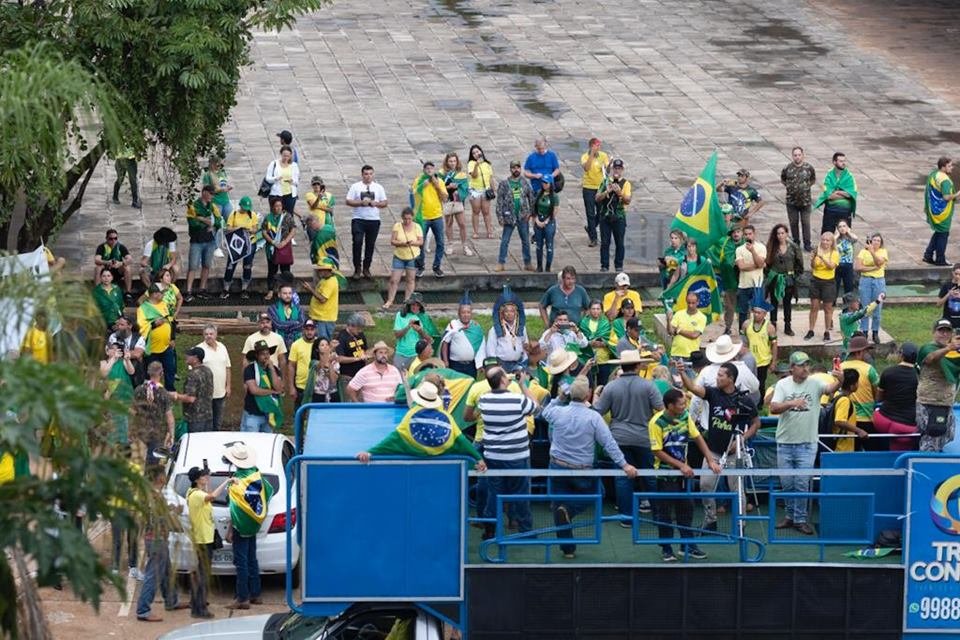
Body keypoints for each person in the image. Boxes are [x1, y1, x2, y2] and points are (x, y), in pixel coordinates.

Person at [544, 377, 637, 558]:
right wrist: (624, 464)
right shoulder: (593, 417)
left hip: (557, 465)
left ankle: (567, 548)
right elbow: (608, 443)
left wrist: (560, 397)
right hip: (582, 468)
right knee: (597, 494)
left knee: (558, 504)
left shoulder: (557, 412)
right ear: (588, 393)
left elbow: (545, 411)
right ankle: (570, 511)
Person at [677, 360, 759, 531]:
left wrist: (741, 440)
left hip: (734, 454)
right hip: (713, 452)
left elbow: (756, 423)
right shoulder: (713, 393)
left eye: (721, 375)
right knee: (705, 485)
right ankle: (710, 520)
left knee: (736, 490)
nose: (717, 378)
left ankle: (740, 523)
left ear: (731, 379)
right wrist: (683, 372)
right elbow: (692, 388)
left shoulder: (745, 400)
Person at [769, 351, 840, 535]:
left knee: (801, 482)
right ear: (792, 368)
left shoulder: (815, 383)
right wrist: (793, 403)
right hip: (785, 442)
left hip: (807, 442)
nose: (806, 368)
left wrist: (840, 379)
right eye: (801, 365)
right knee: (786, 483)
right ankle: (790, 515)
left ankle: (800, 519)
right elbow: (773, 407)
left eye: (807, 365)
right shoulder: (782, 384)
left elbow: (830, 389)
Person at [649, 388, 720, 561]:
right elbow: (657, 451)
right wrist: (681, 465)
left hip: (683, 476)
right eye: (681, 404)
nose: (684, 406)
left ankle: (687, 545)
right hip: (664, 476)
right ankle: (666, 548)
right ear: (670, 405)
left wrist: (710, 459)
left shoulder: (684, 416)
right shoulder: (656, 423)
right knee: (664, 513)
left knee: (686, 510)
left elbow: (698, 438)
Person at [593, 350, 665, 519]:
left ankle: (626, 515)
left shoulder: (611, 386)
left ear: (621, 365)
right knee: (649, 475)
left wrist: (596, 395)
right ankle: (658, 514)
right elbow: (661, 410)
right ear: (638, 365)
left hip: (619, 438)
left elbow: (598, 411)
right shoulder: (648, 385)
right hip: (643, 437)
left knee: (623, 477)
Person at [356, 380, 485, 467]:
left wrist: (370, 452)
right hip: (441, 466)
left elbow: (395, 438)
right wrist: (478, 458)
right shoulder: (446, 417)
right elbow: (460, 440)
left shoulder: (411, 414)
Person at [478, 366, 539, 538]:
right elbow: (536, 406)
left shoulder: (483, 400)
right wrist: (523, 384)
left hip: (493, 455)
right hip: (517, 456)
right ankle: (525, 530)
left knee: (494, 493)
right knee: (521, 493)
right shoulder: (517, 399)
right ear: (504, 380)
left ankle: (490, 528)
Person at [224, 442, 274, 610]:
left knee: (241, 562)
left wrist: (231, 528)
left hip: (241, 525)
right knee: (252, 559)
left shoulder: (235, 481)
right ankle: (256, 594)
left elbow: (234, 508)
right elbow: (269, 490)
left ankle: (242, 598)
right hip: (254, 523)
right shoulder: (256, 474)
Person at [135, 466, 188, 622]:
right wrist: (174, 512)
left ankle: (171, 600)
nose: (166, 477)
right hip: (157, 538)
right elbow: (157, 519)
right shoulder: (155, 496)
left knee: (166, 572)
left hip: (155, 538)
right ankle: (143, 610)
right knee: (153, 574)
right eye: (164, 475)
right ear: (159, 477)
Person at [185, 466, 229, 619]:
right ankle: (200, 608)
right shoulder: (197, 495)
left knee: (200, 572)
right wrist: (226, 482)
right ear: (197, 479)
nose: (206, 478)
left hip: (203, 537)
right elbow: (212, 496)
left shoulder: (193, 492)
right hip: (203, 539)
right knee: (203, 575)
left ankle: (195, 602)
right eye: (203, 476)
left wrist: (208, 480)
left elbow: (207, 493)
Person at [916, 320, 960, 452]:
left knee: (947, 435)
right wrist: (948, 348)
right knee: (932, 437)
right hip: (929, 402)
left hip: (947, 402)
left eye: (947, 331)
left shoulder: (954, 352)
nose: (944, 334)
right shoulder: (927, 348)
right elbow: (930, 358)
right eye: (941, 330)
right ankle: (924, 466)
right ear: (934, 332)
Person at [874, 343, 920, 451]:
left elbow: (878, 398)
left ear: (901, 356)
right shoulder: (919, 377)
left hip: (883, 421)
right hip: (908, 426)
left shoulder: (888, 372)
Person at [346, 164, 388, 279]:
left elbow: (384, 203)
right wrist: (360, 202)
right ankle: (357, 268)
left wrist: (376, 204)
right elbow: (348, 201)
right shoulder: (356, 186)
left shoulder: (378, 187)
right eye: (366, 174)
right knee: (357, 242)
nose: (368, 176)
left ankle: (366, 267)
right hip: (359, 219)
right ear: (362, 175)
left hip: (373, 220)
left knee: (370, 244)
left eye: (370, 174)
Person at [840, 336, 881, 450]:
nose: (867, 354)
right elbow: (877, 391)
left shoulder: (841, 367)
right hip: (866, 419)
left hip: (847, 421)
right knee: (871, 454)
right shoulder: (869, 369)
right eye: (866, 351)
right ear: (860, 352)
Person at [130, 361, 175, 465]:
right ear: (161, 373)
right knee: (153, 460)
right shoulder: (164, 393)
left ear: (148, 372)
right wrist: (172, 434)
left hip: (140, 430)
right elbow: (170, 417)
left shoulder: (139, 390)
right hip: (158, 432)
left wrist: (130, 429)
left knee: (138, 459)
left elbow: (132, 411)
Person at [494, 159, 534, 272]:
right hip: (509, 217)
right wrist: (500, 217)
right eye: (514, 168)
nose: (516, 170)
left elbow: (531, 198)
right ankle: (501, 263)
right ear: (510, 169)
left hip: (522, 216)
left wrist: (530, 213)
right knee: (505, 240)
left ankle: (528, 262)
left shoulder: (525, 183)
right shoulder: (504, 184)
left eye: (518, 167)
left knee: (525, 240)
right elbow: (499, 201)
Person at [183, 185, 220, 302]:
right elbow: (192, 223)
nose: (212, 196)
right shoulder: (193, 206)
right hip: (196, 241)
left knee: (206, 265)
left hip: (209, 241)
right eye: (211, 194)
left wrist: (203, 220)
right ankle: (188, 291)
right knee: (193, 266)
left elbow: (218, 221)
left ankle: (202, 289)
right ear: (204, 192)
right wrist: (207, 222)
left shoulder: (213, 206)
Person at [220, 196, 261, 300]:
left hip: (249, 242)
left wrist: (250, 230)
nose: (246, 210)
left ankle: (244, 289)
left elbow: (256, 228)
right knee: (231, 264)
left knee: (247, 265)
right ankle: (226, 288)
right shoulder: (233, 214)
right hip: (236, 244)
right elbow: (228, 228)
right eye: (244, 208)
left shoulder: (253, 215)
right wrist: (238, 228)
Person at [595, 158, 631, 272]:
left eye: (619, 169)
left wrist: (619, 193)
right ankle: (604, 265)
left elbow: (628, 200)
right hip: (605, 216)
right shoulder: (605, 182)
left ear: (622, 170)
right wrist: (607, 191)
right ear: (612, 169)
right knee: (605, 242)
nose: (617, 171)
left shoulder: (626, 183)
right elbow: (597, 198)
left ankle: (618, 265)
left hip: (619, 216)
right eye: (615, 168)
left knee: (619, 242)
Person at [137, 283, 176, 390]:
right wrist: (154, 324)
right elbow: (141, 326)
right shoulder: (143, 309)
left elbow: (171, 321)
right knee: (151, 372)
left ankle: (170, 391)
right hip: (152, 348)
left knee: (170, 370)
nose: (164, 295)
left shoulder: (163, 304)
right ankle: (151, 392)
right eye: (162, 293)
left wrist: (172, 338)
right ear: (154, 294)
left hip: (166, 346)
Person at [411, 162, 447, 278]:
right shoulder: (419, 180)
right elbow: (413, 193)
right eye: (427, 169)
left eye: (431, 169)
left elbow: (445, 198)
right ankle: (420, 266)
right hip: (423, 217)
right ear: (424, 170)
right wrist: (423, 185)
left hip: (436, 216)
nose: (429, 171)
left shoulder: (439, 181)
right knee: (420, 243)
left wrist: (437, 186)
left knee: (440, 242)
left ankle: (437, 266)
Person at [384, 207, 424, 308]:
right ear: (402, 218)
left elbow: (420, 241)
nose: (407, 221)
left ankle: (407, 301)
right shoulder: (397, 226)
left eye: (409, 219)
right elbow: (392, 241)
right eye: (405, 219)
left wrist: (412, 243)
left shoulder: (417, 227)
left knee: (410, 280)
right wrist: (402, 243)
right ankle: (390, 300)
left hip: (412, 257)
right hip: (399, 256)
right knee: (394, 280)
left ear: (412, 218)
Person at [241, 340, 283, 432]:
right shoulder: (250, 369)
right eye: (263, 354)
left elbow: (279, 388)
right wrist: (272, 392)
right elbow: (254, 390)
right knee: (251, 443)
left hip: (269, 414)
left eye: (267, 353)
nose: (266, 356)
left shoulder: (274, 369)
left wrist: (272, 369)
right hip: (253, 414)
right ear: (257, 356)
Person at [708, 226, 744, 335]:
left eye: (738, 231)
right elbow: (725, 262)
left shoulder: (747, 245)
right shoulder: (727, 245)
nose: (736, 234)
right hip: (730, 281)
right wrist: (735, 263)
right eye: (733, 232)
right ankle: (728, 327)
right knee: (729, 307)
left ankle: (744, 328)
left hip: (744, 281)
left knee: (745, 306)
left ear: (741, 233)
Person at [780, 146, 817, 251]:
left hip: (805, 202)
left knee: (806, 223)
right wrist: (791, 187)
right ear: (792, 156)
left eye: (799, 155)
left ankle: (807, 244)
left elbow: (813, 180)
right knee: (793, 223)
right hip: (791, 202)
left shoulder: (809, 168)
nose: (797, 157)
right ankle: (796, 242)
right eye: (795, 155)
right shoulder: (787, 168)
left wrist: (805, 187)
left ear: (803, 155)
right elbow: (783, 179)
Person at [923, 157, 959, 266]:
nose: (952, 168)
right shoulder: (945, 180)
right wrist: (957, 194)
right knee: (943, 234)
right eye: (949, 166)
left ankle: (928, 255)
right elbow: (946, 197)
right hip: (942, 212)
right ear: (943, 167)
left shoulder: (933, 174)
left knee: (938, 232)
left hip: (932, 208)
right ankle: (940, 259)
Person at [487, 286, 531, 372]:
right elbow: (490, 350)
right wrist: (495, 367)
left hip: (518, 364)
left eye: (512, 311)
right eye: (506, 311)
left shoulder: (521, 327)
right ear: (502, 313)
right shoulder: (495, 329)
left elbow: (525, 345)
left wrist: (524, 362)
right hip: (502, 365)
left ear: (516, 313)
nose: (509, 314)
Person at [196, 324, 231, 430]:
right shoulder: (198, 349)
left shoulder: (222, 347)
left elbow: (228, 367)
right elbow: (193, 371)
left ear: (216, 334)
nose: (208, 336)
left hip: (220, 392)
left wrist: (228, 386)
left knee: (218, 421)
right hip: (205, 394)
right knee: (206, 422)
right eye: (206, 334)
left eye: (211, 334)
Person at [854, 233, 888, 344]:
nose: (876, 242)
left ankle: (875, 332)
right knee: (865, 307)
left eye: (878, 240)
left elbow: (880, 261)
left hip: (878, 281)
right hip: (866, 281)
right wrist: (873, 268)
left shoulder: (883, 252)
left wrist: (872, 252)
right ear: (870, 241)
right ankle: (864, 331)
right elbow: (858, 267)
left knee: (877, 308)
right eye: (874, 240)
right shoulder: (863, 252)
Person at [441, 296, 485, 378]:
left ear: (471, 314)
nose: (466, 315)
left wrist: (480, 363)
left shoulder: (475, 327)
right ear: (459, 314)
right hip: (455, 365)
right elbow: (445, 342)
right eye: (463, 312)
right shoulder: (453, 325)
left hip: (471, 365)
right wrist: (445, 361)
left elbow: (481, 346)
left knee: (470, 387)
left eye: (468, 312)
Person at [806, 231, 839, 342]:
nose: (825, 242)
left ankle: (827, 331)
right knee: (814, 306)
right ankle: (811, 329)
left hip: (828, 282)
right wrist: (813, 258)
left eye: (827, 240)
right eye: (823, 240)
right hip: (816, 280)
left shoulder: (834, 253)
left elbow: (831, 266)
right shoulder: (817, 250)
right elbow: (813, 266)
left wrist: (822, 257)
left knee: (828, 308)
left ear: (831, 242)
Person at [392, 293, 438, 371]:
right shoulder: (400, 315)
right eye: (413, 304)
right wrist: (408, 327)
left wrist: (420, 330)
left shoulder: (420, 318)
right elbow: (397, 335)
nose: (415, 307)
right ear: (409, 305)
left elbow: (430, 340)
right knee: (399, 378)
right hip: (401, 353)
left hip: (415, 354)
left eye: (418, 305)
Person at [262, 198, 296, 301]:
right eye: (276, 206)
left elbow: (293, 229)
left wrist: (285, 242)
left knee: (285, 270)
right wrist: (272, 242)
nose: (278, 208)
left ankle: (285, 292)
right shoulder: (268, 218)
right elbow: (264, 231)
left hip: (284, 247)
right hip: (272, 247)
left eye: (280, 206)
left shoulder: (287, 217)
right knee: (272, 270)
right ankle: (271, 290)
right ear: (272, 207)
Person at [815, 152, 858, 233]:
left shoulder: (849, 176)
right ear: (834, 162)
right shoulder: (829, 175)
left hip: (845, 211)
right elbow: (829, 195)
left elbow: (852, 194)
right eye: (841, 161)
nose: (843, 163)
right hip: (830, 210)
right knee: (827, 234)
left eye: (844, 161)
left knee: (845, 236)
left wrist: (837, 192)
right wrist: (844, 193)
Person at [175, 347, 214, 433]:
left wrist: (175, 396)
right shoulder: (208, 371)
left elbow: (190, 398)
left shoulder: (192, 375)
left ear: (196, 359)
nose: (186, 356)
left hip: (195, 418)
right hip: (208, 416)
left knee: (194, 443)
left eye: (189, 355)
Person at [735, 224, 767, 328]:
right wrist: (757, 265)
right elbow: (741, 266)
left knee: (758, 311)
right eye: (746, 234)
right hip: (743, 285)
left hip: (757, 285)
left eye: (750, 234)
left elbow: (761, 264)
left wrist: (753, 251)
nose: (748, 236)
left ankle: (758, 331)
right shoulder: (739, 249)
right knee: (743, 312)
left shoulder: (761, 247)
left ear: (754, 234)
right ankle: (742, 333)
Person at [743, 299, 777, 393]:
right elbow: (743, 342)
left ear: (765, 314)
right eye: (754, 312)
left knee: (761, 384)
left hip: (763, 360)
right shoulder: (746, 324)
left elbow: (774, 345)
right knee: (748, 382)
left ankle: (760, 403)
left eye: (759, 313)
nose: (756, 314)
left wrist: (773, 362)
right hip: (750, 359)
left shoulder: (769, 327)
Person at [579, 138, 608, 247]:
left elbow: (607, 170)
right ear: (591, 146)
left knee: (601, 212)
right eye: (596, 146)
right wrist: (592, 154)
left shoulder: (603, 155)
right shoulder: (585, 157)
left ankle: (591, 227)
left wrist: (608, 166)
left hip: (600, 187)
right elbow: (586, 168)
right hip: (588, 187)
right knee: (590, 213)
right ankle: (593, 238)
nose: (598, 148)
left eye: (599, 146)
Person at [302, 257, 339, 340]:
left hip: (324, 319)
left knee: (322, 342)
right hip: (318, 317)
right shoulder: (324, 280)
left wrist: (310, 289)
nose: (319, 271)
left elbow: (322, 299)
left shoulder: (330, 282)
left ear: (327, 270)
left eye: (321, 269)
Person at [441, 152, 471, 257]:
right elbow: (439, 187)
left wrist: (458, 192)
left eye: (454, 161)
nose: (453, 163)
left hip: (458, 201)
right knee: (448, 223)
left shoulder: (461, 174)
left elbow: (465, 188)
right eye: (450, 161)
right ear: (447, 162)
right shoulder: (442, 173)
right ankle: (450, 245)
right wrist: (448, 187)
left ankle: (465, 246)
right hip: (447, 201)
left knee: (462, 224)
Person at [579, 300, 613, 385]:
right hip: (587, 358)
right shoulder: (583, 323)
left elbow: (610, 339)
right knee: (588, 385)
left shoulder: (606, 323)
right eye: (593, 309)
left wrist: (604, 343)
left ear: (601, 310)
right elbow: (580, 338)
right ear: (589, 310)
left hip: (603, 359)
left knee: (602, 386)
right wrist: (590, 343)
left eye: (598, 309)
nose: (595, 311)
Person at [829, 369, 863, 453]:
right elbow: (839, 421)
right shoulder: (845, 400)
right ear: (852, 386)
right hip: (842, 448)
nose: (858, 384)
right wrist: (859, 431)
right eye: (857, 382)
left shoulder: (838, 396)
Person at [94, 229, 133, 299]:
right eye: (111, 239)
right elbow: (97, 260)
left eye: (115, 238)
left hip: (117, 271)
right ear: (106, 238)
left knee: (127, 267)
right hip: (106, 270)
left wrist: (120, 263)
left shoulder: (120, 247)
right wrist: (107, 262)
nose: (113, 241)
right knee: (98, 268)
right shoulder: (102, 247)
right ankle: (98, 291)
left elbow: (130, 259)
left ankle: (128, 293)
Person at [667, 291, 707, 361]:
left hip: (691, 355)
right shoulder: (678, 314)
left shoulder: (702, 317)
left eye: (693, 303)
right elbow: (671, 332)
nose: (690, 305)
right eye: (689, 302)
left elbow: (694, 335)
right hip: (676, 353)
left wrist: (678, 330)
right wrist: (668, 321)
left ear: (698, 302)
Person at [467, 144, 496, 239]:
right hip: (475, 190)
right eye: (474, 153)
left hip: (486, 189)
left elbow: (490, 177)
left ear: (481, 151)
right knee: (476, 211)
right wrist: (476, 165)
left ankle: (489, 231)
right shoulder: (471, 163)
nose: (476, 154)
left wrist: (493, 188)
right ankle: (476, 232)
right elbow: (474, 175)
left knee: (486, 211)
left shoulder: (487, 164)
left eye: (477, 151)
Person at [287, 319, 318, 406]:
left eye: (312, 329)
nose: (309, 332)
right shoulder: (296, 345)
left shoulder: (320, 343)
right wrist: (291, 387)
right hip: (301, 386)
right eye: (307, 329)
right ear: (303, 330)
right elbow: (291, 366)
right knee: (300, 414)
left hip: (317, 386)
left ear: (315, 330)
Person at [531, 176, 559, 272]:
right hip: (539, 220)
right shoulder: (539, 193)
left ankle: (548, 266)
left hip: (549, 221)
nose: (544, 184)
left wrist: (546, 221)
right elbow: (534, 208)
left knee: (549, 245)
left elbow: (555, 211)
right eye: (543, 182)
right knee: (538, 245)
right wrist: (536, 221)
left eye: (546, 183)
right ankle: (539, 266)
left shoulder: (554, 196)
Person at [335, 313, 368, 391]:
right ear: (350, 326)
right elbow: (340, 358)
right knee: (348, 400)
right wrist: (357, 358)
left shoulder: (360, 334)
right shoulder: (342, 337)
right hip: (347, 375)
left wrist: (364, 354)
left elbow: (364, 348)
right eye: (358, 328)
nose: (360, 331)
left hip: (360, 373)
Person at [264, 144, 300, 214]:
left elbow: (297, 181)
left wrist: (292, 181)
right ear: (281, 154)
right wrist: (276, 178)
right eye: (284, 155)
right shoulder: (274, 164)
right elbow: (268, 178)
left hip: (290, 194)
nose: (286, 158)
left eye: (288, 156)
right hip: (276, 194)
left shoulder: (294, 165)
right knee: (276, 213)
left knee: (289, 214)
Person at [304, 337, 340, 403]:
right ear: (317, 349)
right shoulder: (314, 362)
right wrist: (330, 350)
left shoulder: (334, 358)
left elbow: (333, 380)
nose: (325, 347)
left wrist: (330, 363)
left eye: (327, 345)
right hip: (318, 395)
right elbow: (322, 365)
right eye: (322, 345)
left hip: (333, 394)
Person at [267, 283, 304, 348]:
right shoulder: (272, 308)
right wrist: (295, 322)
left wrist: (285, 326)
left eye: (290, 293)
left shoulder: (298, 308)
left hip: (296, 342)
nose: (288, 296)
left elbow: (301, 324)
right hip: (278, 343)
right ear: (279, 295)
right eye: (285, 293)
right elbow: (278, 324)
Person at [833, 220, 858, 303]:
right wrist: (836, 235)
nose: (842, 228)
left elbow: (856, 238)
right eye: (840, 227)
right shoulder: (835, 239)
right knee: (834, 287)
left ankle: (848, 309)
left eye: (844, 226)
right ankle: (832, 306)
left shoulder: (850, 238)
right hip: (837, 266)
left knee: (849, 288)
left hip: (848, 266)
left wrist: (849, 232)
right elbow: (831, 243)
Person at [939, 264, 960, 329]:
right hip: (948, 319)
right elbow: (938, 304)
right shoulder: (946, 285)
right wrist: (948, 294)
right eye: (956, 274)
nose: (957, 276)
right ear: (952, 272)